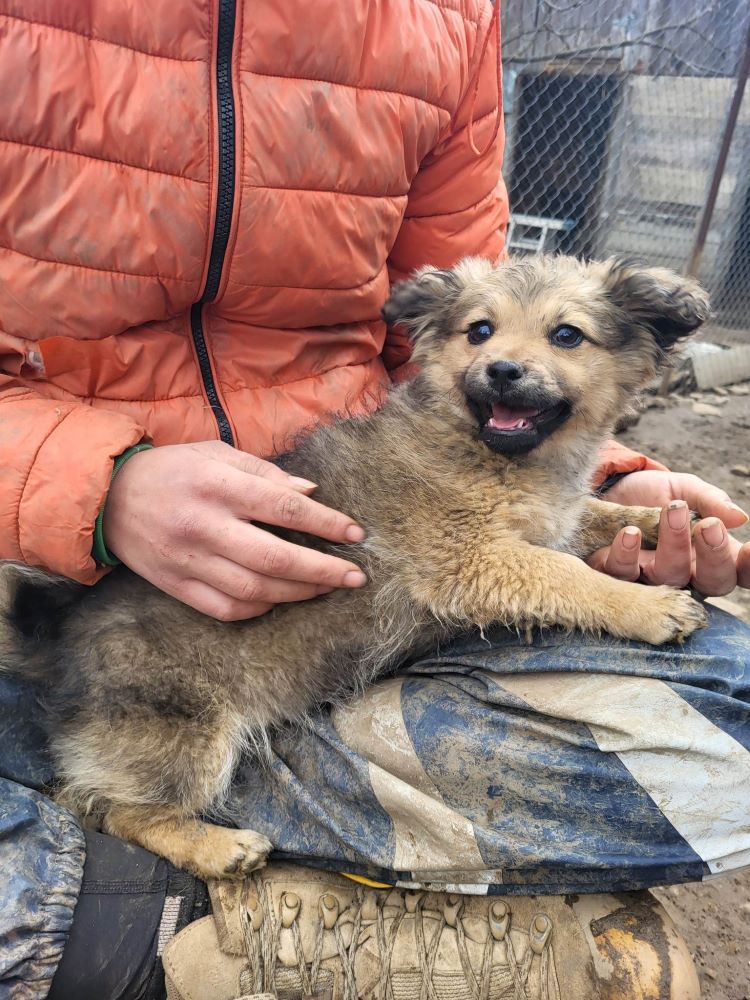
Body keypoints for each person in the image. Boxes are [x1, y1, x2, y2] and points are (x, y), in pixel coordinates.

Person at [1, 1, 748, 998]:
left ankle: (158, 838)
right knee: (137, 720)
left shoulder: (443, 18)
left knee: (727, 690)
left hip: (342, 626)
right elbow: (475, 557)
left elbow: (446, 336)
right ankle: (140, 900)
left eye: (564, 339)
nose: (512, 359)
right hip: (63, 570)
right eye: (485, 335)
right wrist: (94, 486)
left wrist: (606, 486)